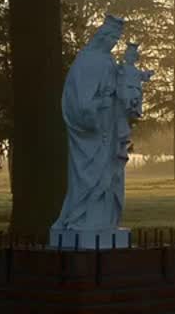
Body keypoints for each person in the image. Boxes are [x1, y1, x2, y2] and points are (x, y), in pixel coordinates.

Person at [52, 14, 126, 231]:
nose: (114, 43)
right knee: (89, 176)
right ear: (102, 36)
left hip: (108, 129)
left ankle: (103, 221)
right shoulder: (87, 61)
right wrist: (95, 109)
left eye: (117, 39)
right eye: (112, 37)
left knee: (109, 176)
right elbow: (79, 101)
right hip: (92, 133)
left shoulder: (109, 61)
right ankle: (79, 218)